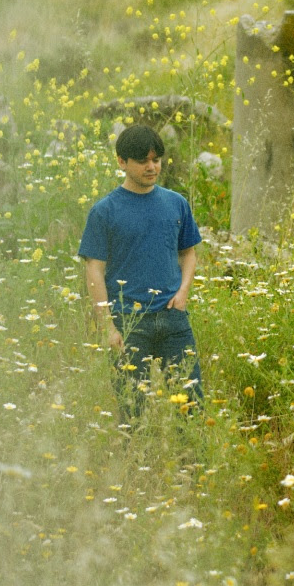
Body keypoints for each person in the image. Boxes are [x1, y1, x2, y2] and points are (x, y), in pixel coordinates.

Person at [79, 124, 203, 417]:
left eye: (156, 160)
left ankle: (192, 463)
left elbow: (188, 253)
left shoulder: (176, 203)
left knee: (191, 407)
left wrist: (183, 292)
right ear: (122, 162)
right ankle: (135, 464)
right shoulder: (104, 211)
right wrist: (108, 326)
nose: (152, 167)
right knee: (132, 412)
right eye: (143, 161)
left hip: (174, 318)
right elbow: (94, 270)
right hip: (128, 323)